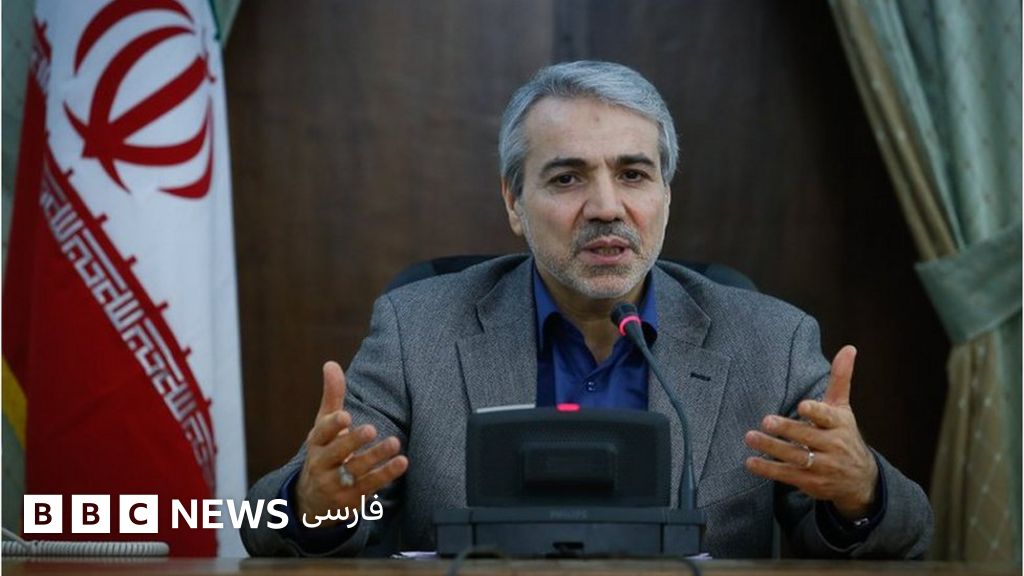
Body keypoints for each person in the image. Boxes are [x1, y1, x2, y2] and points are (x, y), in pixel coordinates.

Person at [241, 61, 932, 558]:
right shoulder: (417, 330)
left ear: (666, 196)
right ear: (514, 203)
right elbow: (265, 523)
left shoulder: (771, 341)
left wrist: (859, 494)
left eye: (633, 174)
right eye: (567, 177)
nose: (606, 206)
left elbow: (908, 533)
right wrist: (314, 505)